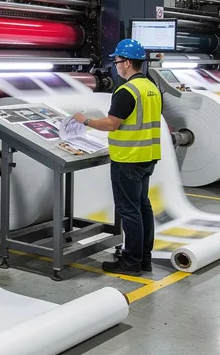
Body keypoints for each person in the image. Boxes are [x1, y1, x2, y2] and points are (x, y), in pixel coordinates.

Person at [68, 39, 161, 274]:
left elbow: (111, 123)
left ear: (127, 63)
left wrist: (84, 120)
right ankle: (143, 259)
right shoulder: (151, 87)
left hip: (128, 158)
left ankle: (130, 263)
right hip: (147, 156)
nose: (115, 66)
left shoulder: (127, 90)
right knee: (142, 208)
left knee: (129, 211)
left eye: (117, 61)